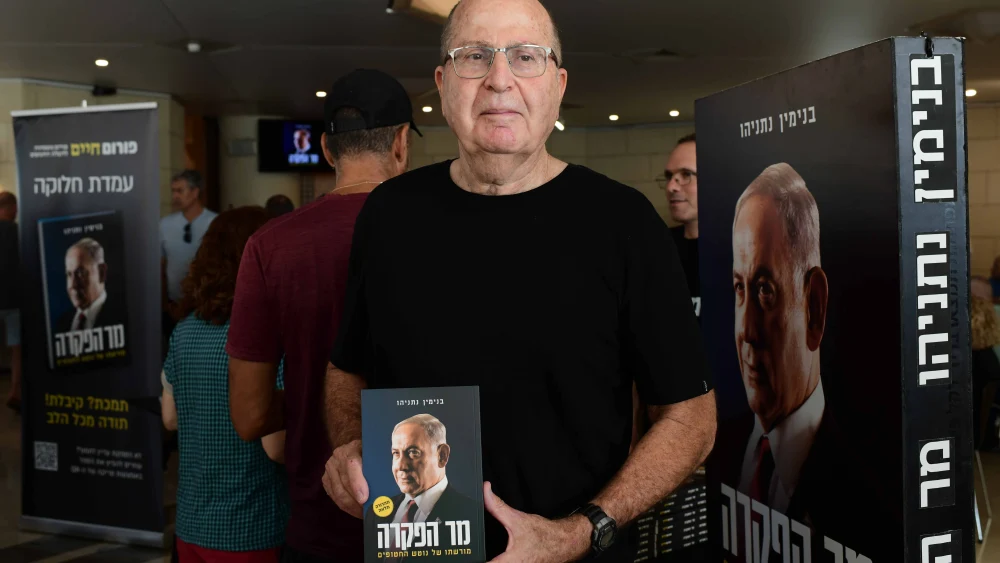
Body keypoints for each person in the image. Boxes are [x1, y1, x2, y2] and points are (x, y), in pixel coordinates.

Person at [321, 1, 715, 561]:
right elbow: (347, 366)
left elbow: (690, 417)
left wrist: (581, 531)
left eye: (526, 57)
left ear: (558, 84)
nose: (499, 79)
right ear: (442, 84)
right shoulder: (388, 215)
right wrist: (348, 445)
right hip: (417, 549)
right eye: (474, 56)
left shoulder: (623, 223)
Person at [227, 68, 417, 563]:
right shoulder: (444, 236)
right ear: (401, 143)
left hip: (320, 524)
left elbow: (249, 415)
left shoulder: (269, 245)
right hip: (425, 524)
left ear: (327, 150)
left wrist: (309, 399)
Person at [717, 163, 884, 559]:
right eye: (739, 288)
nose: (746, 330)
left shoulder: (868, 503)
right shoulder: (722, 447)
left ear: (814, 307)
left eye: (765, 290)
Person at [161, 206, 288, 563]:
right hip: (253, 530)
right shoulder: (264, 340)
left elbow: (170, 418)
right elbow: (276, 448)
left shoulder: (184, 331)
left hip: (192, 527)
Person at [364, 415, 477, 540]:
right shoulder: (375, 514)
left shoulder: (472, 514)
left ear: (442, 456)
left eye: (413, 452)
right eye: (396, 453)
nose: (401, 466)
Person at [161, 170, 217, 338]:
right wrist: (165, 304)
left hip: (206, 305)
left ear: (195, 192)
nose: (175, 196)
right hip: (173, 305)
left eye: (180, 191)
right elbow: (161, 266)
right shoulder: (164, 225)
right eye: (173, 191)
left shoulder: (214, 223)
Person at [660, 133, 700, 317]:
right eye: (669, 176)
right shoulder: (658, 246)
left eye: (686, 175)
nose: (671, 187)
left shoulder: (743, 253)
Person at [55, 238, 126, 333]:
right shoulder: (62, 324)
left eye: (80, 273)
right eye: (69, 274)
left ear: (101, 272)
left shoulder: (121, 317)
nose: (72, 284)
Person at [0, 192, 21, 413]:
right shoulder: (18, 232)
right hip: (15, 299)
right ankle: (15, 391)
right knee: (17, 349)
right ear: (10, 207)